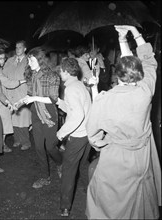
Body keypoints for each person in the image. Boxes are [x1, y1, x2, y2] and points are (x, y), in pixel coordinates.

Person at [85, 25, 161, 219]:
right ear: (139, 74)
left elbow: (93, 136)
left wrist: (104, 144)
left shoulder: (105, 99)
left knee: (109, 201)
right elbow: (149, 61)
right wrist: (132, 34)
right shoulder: (145, 91)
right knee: (139, 198)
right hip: (142, 156)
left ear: (116, 75)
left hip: (117, 158)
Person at [20, 47, 62, 189]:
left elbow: (54, 99)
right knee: (39, 147)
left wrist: (34, 98)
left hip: (49, 112)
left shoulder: (52, 76)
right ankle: (45, 177)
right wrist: (19, 102)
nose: (29, 62)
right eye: (28, 60)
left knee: (50, 147)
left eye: (31, 60)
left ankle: (60, 162)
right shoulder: (31, 75)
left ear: (40, 60)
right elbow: (30, 94)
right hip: (35, 113)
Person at [56, 58, 92, 217]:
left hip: (77, 136)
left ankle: (65, 206)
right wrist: (60, 103)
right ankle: (92, 193)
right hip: (87, 135)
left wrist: (61, 133)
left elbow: (77, 115)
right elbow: (77, 108)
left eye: (60, 71)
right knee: (83, 166)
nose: (59, 74)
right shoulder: (80, 85)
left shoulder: (70, 89)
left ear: (65, 72)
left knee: (68, 171)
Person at [0, 50, 27, 153]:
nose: (3, 60)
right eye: (0, 58)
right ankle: (2, 145)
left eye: (4, 58)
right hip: (2, 100)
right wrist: (22, 81)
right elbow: (8, 83)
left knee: (2, 123)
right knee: (4, 123)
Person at [3, 40, 32, 151]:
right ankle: (17, 139)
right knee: (13, 118)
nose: (17, 49)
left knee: (23, 119)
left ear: (25, 49)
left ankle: (26, 142)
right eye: (16, 47)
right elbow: (4, 74)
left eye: (20, 47)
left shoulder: (28, 61)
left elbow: (30, 78)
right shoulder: (10, 60)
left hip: (22, 93)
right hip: (10, 93)